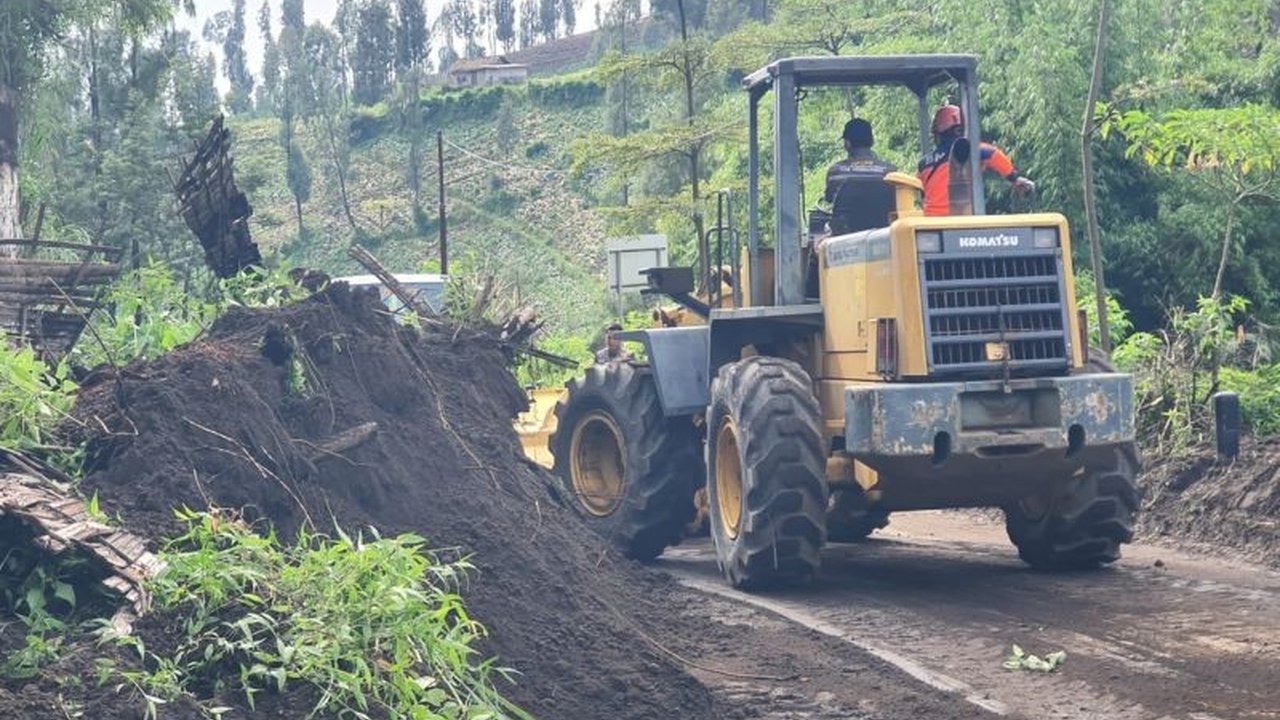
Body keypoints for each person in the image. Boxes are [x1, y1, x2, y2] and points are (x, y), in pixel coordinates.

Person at [917, 104, 1035, 216]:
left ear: (939, 133)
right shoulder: (970, 150)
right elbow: (994, 154)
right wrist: (1014, 178)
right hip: (961, 220)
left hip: (930, 223)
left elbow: (918, 189)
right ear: (959, 129)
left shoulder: (923, 164)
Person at [824, 118, 896, 206]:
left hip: (845, 220)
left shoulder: (835, 172)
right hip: (882, 220)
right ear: (872, 141)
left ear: (847, 143)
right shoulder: (890, 172)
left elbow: (829, 200)